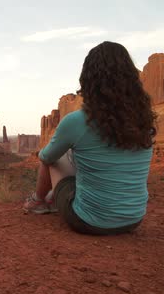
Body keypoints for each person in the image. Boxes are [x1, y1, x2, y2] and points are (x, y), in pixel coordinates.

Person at [23, 41, 156, 235]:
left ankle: (39, 202)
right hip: (133, 220)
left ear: (88, 78)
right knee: (80, 153)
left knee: (54, 156)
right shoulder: (143, 120)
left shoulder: (77, 121)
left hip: (88, 221)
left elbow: (46, 158)